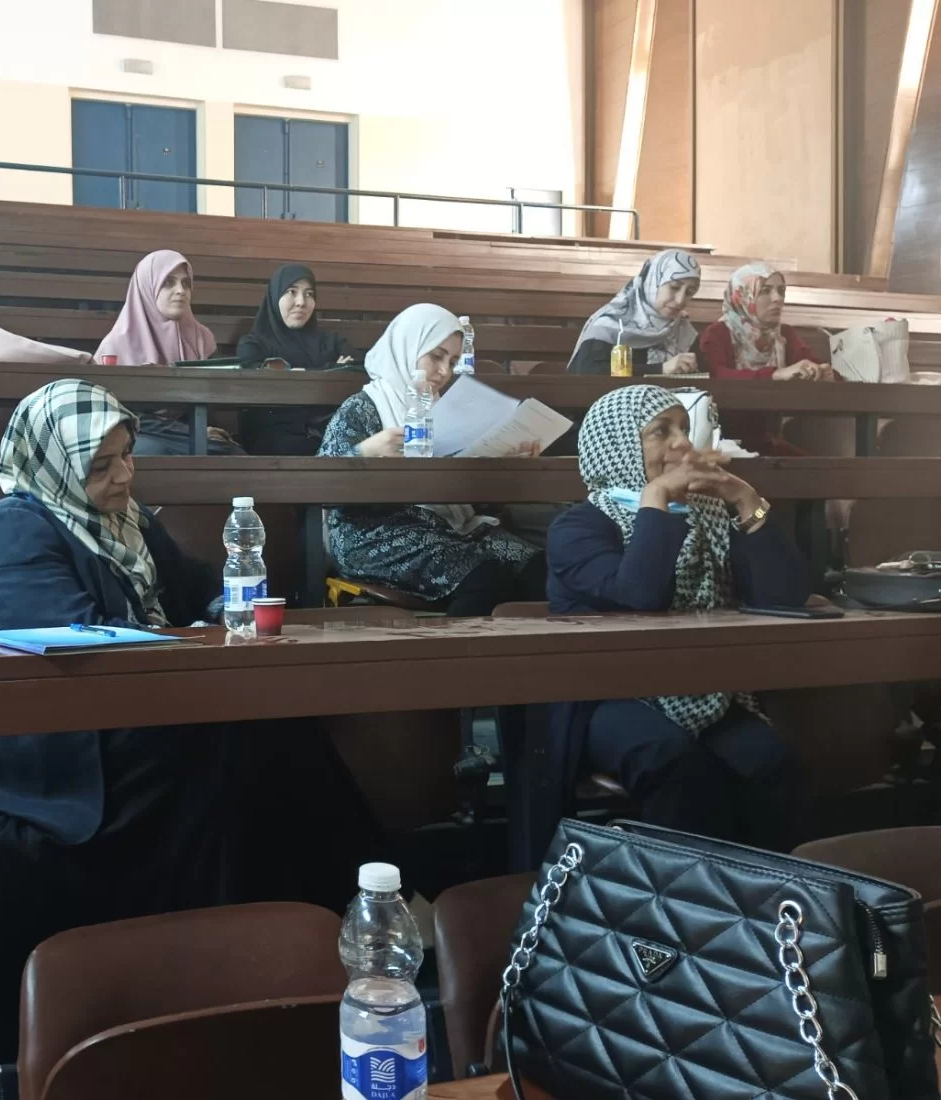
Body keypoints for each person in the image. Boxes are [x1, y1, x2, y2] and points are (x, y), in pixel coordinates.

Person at [0, 378, 377, 1093]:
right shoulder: (16, 527)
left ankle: (321, 929)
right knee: (238, 744)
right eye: (101, 465)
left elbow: (192, 586)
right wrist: (182, 637)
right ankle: (356, 905)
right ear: (54, 465)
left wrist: (228, 604)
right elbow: (76, 642)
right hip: (66, 747)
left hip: (143, 715)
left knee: (270, 727)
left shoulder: (125, 520)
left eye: (127, 455)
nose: (124, 475)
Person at [544, 385, 811, 851]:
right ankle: (687, 892)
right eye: (660, 431)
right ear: (619, 444)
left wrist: (744, 498)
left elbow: (785, 597)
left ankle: (771, 888)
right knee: (676, 761)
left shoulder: (709, 516)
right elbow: (638, 596)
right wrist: (655, 497)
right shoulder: (578, 527)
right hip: (608, 695)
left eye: (684, 428)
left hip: (701, 686)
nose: (683, 443)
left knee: (772, 761)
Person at [317, 304, 545, 613]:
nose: (444, 371)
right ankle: (455, 646)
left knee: (541, 571)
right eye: (436, 356)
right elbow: (323, 488)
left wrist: (501, 464)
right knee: (485, 579)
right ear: (408, 347)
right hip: (373, 534)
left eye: (452, 361)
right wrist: (366, 451)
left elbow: (471, 498)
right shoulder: (362, 408)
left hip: (448, 528)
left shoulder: (446, 411)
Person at [96, 250, 242, 455]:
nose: (180, 291)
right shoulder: (116, 345)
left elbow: (207, 402)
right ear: (147, 287)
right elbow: (118, 416)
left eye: (186, 283)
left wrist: (203, 431)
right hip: (140, 433)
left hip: (189, 433)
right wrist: (191, 432)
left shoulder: (201, 339)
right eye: (168, 282)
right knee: (152, 451)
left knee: (231, 454)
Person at [235, 263, 356, 455]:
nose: (301, 302)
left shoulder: (331, 342)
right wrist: (330, 369)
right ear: (275, 296)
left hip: (327, 428)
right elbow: (260, 386)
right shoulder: (253, 344)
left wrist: (297, 373)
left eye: (309, 294)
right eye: (292, 291)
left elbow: (356, 370)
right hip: (272, 433)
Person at [568, 249, 702, 376]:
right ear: (652, 282)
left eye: (689, 292)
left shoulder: (682, 329)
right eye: (674, 287)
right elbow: (588, 372)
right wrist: (661, 369)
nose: (680, 300)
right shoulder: (611, 323)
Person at [699, 262, 833, 380]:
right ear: (743, 297)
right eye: (765, 291)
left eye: (781, 290)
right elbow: (717, 376)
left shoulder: (785, 334)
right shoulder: (717, 333)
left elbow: (814, 364)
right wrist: (776, 375)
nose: (778, 298)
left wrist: (824, 373)